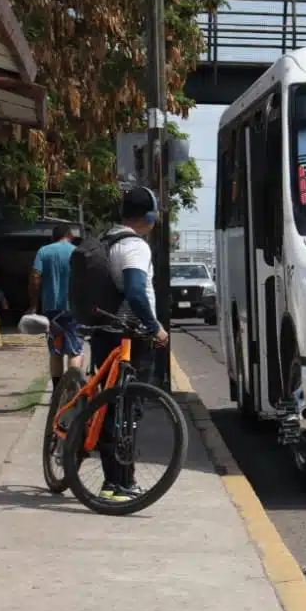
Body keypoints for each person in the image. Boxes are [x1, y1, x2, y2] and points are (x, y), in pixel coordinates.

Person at [87, 187, 168, 503]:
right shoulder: (135, 246)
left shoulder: (108, 239)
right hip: (130, 336)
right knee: (127, 409)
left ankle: (114, 480)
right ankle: (120, 483)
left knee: (111, 405)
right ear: (149, 216)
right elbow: (135, 291)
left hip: (106, 332)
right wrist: (154, 327)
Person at [32, 224, 81, 386]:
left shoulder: (44, 251)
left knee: (56, 351)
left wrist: (34, 304)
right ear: (70, 236)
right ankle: (73, 391)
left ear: (53, 237)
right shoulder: (77, 252)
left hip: (51, 310)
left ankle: (57, 391)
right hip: (74, 308)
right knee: (74, 351)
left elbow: (35, 278)